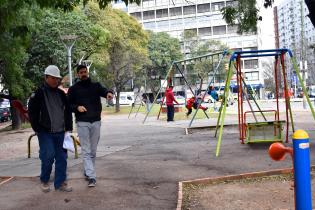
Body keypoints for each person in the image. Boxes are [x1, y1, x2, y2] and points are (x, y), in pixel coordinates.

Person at [28, 65, 73, 193]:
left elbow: (68, 111)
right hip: (45, 132)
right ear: (46, 77)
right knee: (48, 156)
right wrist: (36, 128)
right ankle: (44, 180)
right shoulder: (38, 93)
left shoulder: (61, 94)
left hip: (61, 132)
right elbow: (32, 112)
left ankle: (60, 183)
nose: (55, 81)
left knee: (62, 158)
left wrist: (68, 128)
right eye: (53, 78)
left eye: (57, 78)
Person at [67, 64, 114, 187]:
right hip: (82, 122)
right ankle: (92, 177)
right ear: (78, 74)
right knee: (86, 150)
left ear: (87, 72)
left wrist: (109, 93)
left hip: (96, 122)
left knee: (93, 150)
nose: (84, 74)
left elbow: (105, 91)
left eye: (85, 72)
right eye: (81, 72)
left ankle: (88, 171)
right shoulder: (73, 89)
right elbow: (68, 105)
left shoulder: (96, 86)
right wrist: (77, 107)